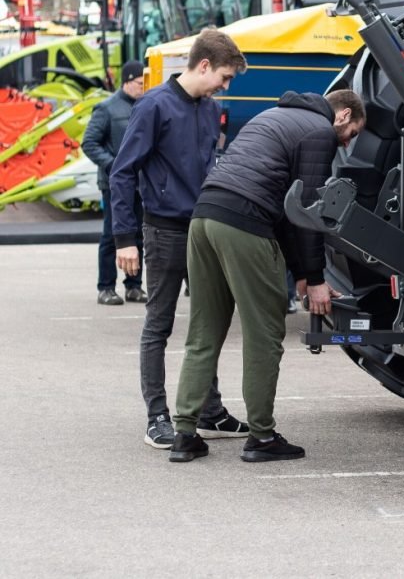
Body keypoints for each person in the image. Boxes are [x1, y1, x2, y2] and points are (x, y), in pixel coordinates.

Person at [167, 89, 364, 463]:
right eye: (352, 133)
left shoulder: (270, 116)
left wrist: (302, 273)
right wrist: (316, 279)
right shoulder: (320, 132)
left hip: (204, 218)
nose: (347, 143)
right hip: (245, 223)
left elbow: (288, 209)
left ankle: (185, 434)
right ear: (343, 115)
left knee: (204, 330)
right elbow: (308, 211)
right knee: (264, 335)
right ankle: (261, 436)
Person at [109, 29, 250, 450]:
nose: (225, 86)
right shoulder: (153, 105)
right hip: (164, 230)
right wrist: (124, 238)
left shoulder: (211, 109)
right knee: (160, 324)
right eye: (224, 77)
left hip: (204, 228)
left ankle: (210, 411)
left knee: (209, 322)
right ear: (204, 65)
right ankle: (157, 416)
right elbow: (122, 172)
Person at [81, 60, 147, 306]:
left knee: (138, 234)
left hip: (140, 182)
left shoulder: (146, 106)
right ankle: (106, 287)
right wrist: (113, 165)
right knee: (112, 235)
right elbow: (89, 143)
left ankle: (134, 286)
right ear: (127, 81)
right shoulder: (106, 108)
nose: (144, 87)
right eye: (140, 83)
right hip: (114, 184)